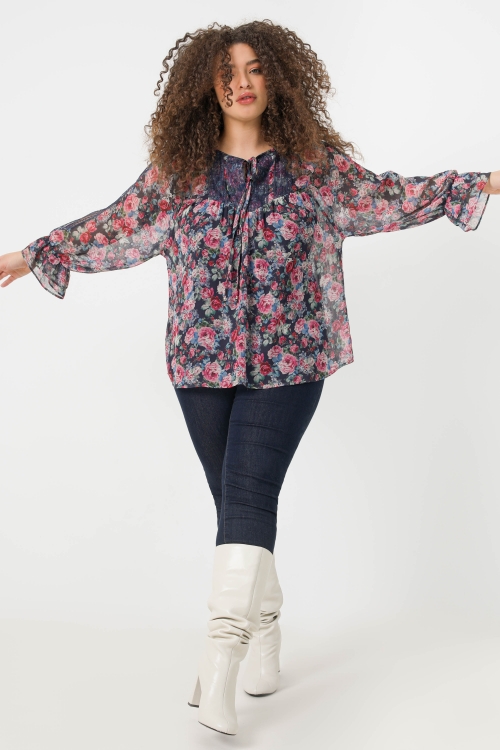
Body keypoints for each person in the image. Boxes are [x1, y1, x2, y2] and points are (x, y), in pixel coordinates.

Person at [1, 19, 498, 737]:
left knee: (249, 494)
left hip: (292, 362)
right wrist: (30, 255)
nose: (241, 82)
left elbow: (393, 196)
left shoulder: (316, 169)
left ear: (278, 79)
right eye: (226, 71)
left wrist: (483, 182)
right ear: (204, 87)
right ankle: (265, 630)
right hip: (199, 365)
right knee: (236, 505)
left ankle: (220, 665)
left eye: (255, 68)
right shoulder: (178, 176)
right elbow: (113, 226)